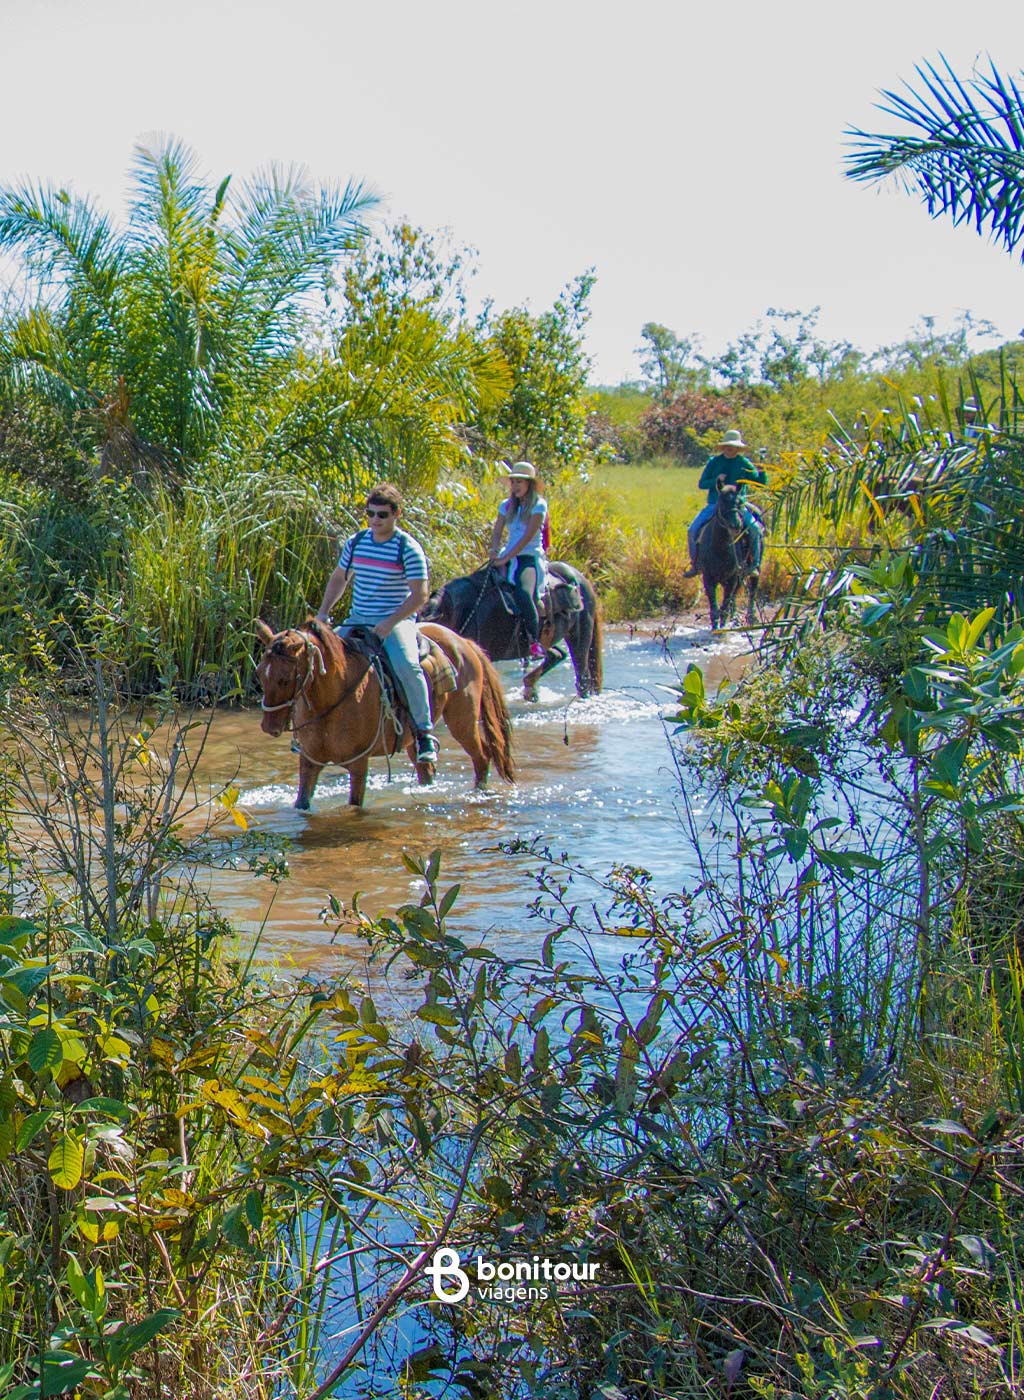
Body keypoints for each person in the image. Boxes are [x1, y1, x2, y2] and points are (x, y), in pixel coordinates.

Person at [316, 483, 438, 763]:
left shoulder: (407, 548)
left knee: (407, 665)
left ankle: (423, 733)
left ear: (396, 514)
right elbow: (339, 578)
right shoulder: (357, 542)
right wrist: (323, 612)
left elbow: (420, 594)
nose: (374, 520)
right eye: (370, 513)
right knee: (318, 656)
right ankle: (311, 730)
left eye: (381, 515)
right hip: (358, 618)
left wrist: (390, 622)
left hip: (396, 621)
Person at [685, 429, 768, 576]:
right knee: (692, 530)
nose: (730, 449)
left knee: (755, 529)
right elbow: (702, 484)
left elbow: (760, 483)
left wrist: (762, 470)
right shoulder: (714, 462)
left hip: (738, 506)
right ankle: (696, 564)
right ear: (724, 447)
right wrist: (716, 479)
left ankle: (754, 565)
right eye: (728, 446)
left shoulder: (744, 463)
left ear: (738, 448)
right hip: (715, 504)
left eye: (733, 446)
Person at [487, 461, 548, 660]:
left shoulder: (539, 505)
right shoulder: (506, 506)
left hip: (527, 557)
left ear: (529, 484)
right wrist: (494, 549)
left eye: (520, 482)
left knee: (523, 592)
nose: (516, 486)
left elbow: (527, 538)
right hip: (507, 554)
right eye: (513, 482)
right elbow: (497, 531)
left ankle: (534, 641)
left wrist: (506, 557)